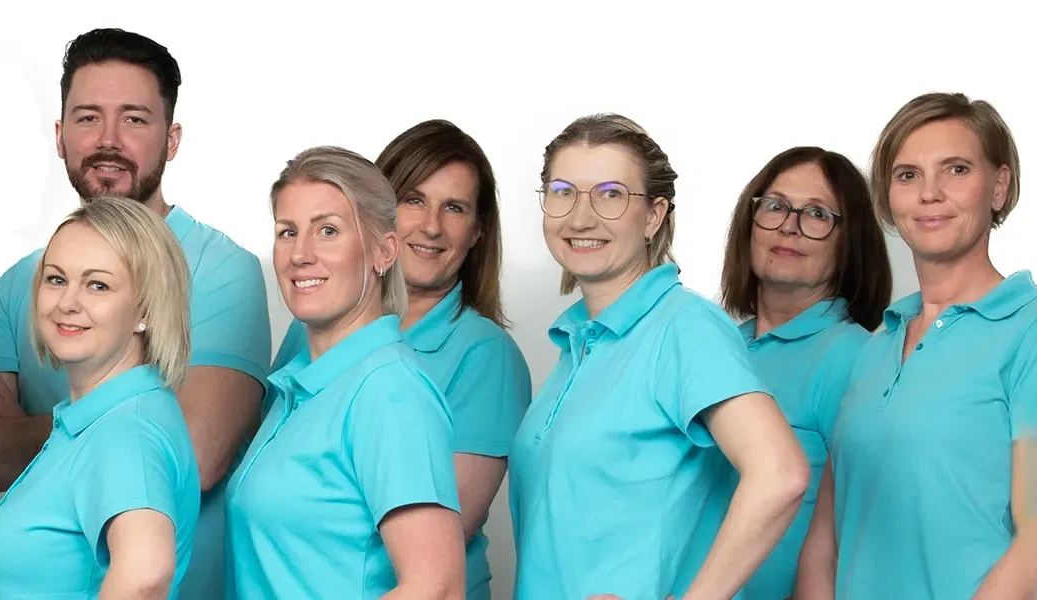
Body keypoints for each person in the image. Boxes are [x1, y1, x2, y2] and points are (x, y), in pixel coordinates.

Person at [0, 30, 270, 598]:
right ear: (59, 135)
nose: (107, 140)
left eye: (134, 119)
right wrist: (66, 429)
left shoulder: (222, 269)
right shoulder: (21, 283)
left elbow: (193, 457)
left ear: (171, 139)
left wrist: (39, 430)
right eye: (87, 117)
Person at [510, 113, 809, 599]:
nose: (580, 217)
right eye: (563, 191)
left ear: (653, 215)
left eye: (610, 194)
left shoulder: (684, 327)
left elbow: (780, 472)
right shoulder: (580, 340)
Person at [796, 93, 1037, 599]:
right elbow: (826, 539)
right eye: (907, 175)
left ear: (999, 186)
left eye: (956, 169)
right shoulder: (877, 346)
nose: (930, 193)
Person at [267, 120, 529, 599]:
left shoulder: (485, 357)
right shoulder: (311, 330)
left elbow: (434, 549)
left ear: (477, 232)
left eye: (454, 208)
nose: (430, 226)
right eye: (413, 199)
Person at [229, 147, 464, 599]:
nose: (300, 254)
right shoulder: (299, 390)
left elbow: (437, 588)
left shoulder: (389, 391)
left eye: (328, 231)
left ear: (383, 251)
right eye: (287, 232)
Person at [0, 197, 199, 599]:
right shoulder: (93, 421)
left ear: (144, 308)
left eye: (98, 285)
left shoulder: (126, 430)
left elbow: (146, 572)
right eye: (56, 279)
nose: (67, 303)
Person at [707, 146, 892, 600]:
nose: (789, 225)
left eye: (817, 214)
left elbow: (869, 537)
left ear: (851, 242)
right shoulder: (717, 346)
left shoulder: (855, 358)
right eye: (774, 206)